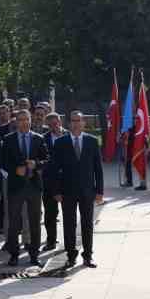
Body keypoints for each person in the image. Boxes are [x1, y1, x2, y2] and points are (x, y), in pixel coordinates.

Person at [50, 110, 104, 268]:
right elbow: (54, 169)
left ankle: (88, 256)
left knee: (87, 223)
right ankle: (71, 255)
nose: (75, 123)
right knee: (69, 224)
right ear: (69, 123)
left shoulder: (92, 141)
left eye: (78, 120)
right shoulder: (60, 142)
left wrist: (99, 191)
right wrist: (56, 191)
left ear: (83, 123)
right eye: (73, 120)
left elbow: (98, 169)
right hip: (67, 191)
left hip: (87, 191)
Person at [1, 109, 47, 267]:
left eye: (26, 119)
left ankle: (34, 255)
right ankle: (14, 255)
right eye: (20, 120)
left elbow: (47, 159)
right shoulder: (8, 139)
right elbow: (3, 161)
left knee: (35, 221)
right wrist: (14, 169)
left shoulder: (39, 138)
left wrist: (37, 164)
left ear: (31, 120)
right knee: (14, 222)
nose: (24, 122)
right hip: (16, 186)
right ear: (16, 122)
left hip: (34, 186)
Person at [41, 111, 63, 251]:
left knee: (69, 214)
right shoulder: (43, 139)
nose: (53, 127)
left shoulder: (69, 135)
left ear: (60, 122)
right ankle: (51, 240)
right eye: (50, 125)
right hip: (49, 181)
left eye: (55, 124)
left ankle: (70, 241)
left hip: (67, 181)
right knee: (50, 213)